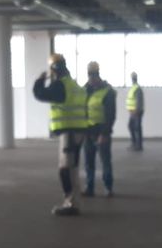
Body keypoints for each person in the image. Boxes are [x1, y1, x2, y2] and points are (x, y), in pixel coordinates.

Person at [32, 53, 90, 216]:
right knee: (73, 168)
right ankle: (74, 201)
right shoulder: (73, 84)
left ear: (53, 69)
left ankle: (71, 203)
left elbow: (40, 94)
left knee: (66, 169)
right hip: (78, 130)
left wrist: (40, 80)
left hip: (69, 132)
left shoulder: (60, 85)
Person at [82, 61, 117, 198]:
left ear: (98, 75)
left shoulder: (108, 92)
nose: (91, 79)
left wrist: (104, 134)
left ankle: (108, 187)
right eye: (89, 76)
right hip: (88, 132)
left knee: (105, 161)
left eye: (93, 76)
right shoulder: (86, 90)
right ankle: (89, 187)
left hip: (101, 132)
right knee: (88, 163)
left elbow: (110, 115)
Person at [126, 71, 145, 151]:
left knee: (137, 128)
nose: (132, 79)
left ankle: (139, 146)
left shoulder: (137, 88)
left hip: (136, 112)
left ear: (135, 78)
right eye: (132, 77)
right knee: (131, 126)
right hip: (132, 112)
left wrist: (136, 111)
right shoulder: (133, 87)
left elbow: (139, 100)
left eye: (133, 77)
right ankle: (134, 143)